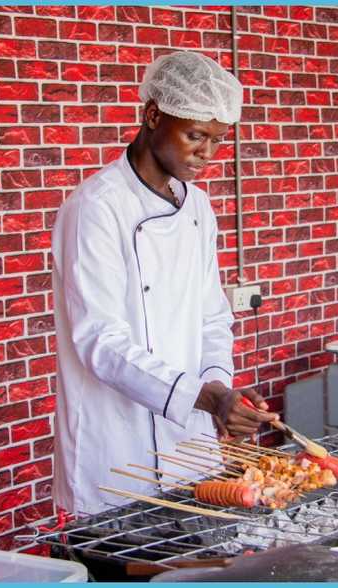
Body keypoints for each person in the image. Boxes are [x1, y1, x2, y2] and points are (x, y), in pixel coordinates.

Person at [51, 51, 278, 514]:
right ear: (153, 114)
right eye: (195, 135)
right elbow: (100, 341)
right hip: (116, 446)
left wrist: (220, 388)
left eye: (218, 140)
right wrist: (209, 397)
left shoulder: (197, 207)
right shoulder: (97, 207)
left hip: (188, 440)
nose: (208, 154)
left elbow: (212, 316)